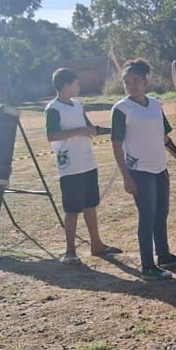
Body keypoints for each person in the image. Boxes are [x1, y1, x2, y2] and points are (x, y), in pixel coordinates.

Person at [110, 58, 176, 281]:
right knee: (146, 217)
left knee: (161, 213)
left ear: (145, 81)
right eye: (127, 82)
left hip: (160, 169)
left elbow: (163, 137)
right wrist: (126, 177)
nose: (131, 86)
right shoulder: (121, 109)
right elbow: (116, 145)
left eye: (136, 81)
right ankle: (147, 266)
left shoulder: (155, 105)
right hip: (139, 172)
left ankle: (164, 256)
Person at [45, 68, 121, 265]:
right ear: (66, 86)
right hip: (70, 168)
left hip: (87, 163)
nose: (79, 87)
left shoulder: (77, 105)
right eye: (76, 84)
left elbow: (91, 129)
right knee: (72, 209)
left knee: (90, 205)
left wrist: (117, 130)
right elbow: (52, 135)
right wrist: (79, 131)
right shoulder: (53, 109)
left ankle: (97, 245)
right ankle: (70, 252)